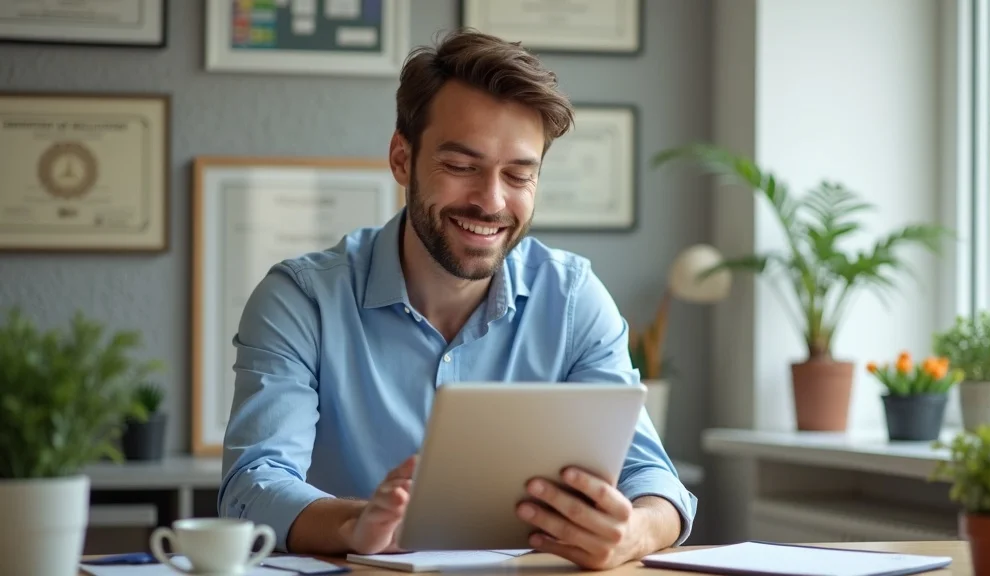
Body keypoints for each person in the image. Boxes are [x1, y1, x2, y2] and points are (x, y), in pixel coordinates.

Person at [218, 28, 697, 571]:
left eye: (519, 174)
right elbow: (251, 487)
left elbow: (654, 480)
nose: (491, 201)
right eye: (462, 167)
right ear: (402, 158)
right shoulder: (301, 300)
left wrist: (633, 531)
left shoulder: (572, 299)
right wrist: (358, 524)